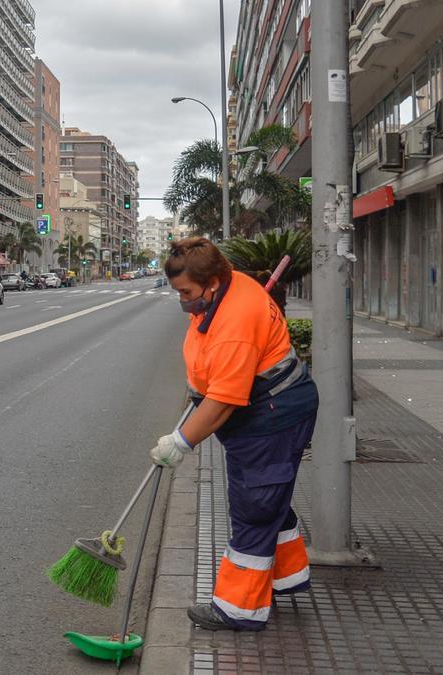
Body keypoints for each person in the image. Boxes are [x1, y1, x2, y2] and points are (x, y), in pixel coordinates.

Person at [150, 237, 319, 632]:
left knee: (256, 504)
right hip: (267, 409)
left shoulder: (236, 321)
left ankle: (240, 609)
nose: (182, 301)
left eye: (187, 292)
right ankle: (287, 575)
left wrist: (181, 441)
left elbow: (224, 402)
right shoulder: (224, 288)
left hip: (273, 414)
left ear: (210, 283)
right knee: (267, 498)